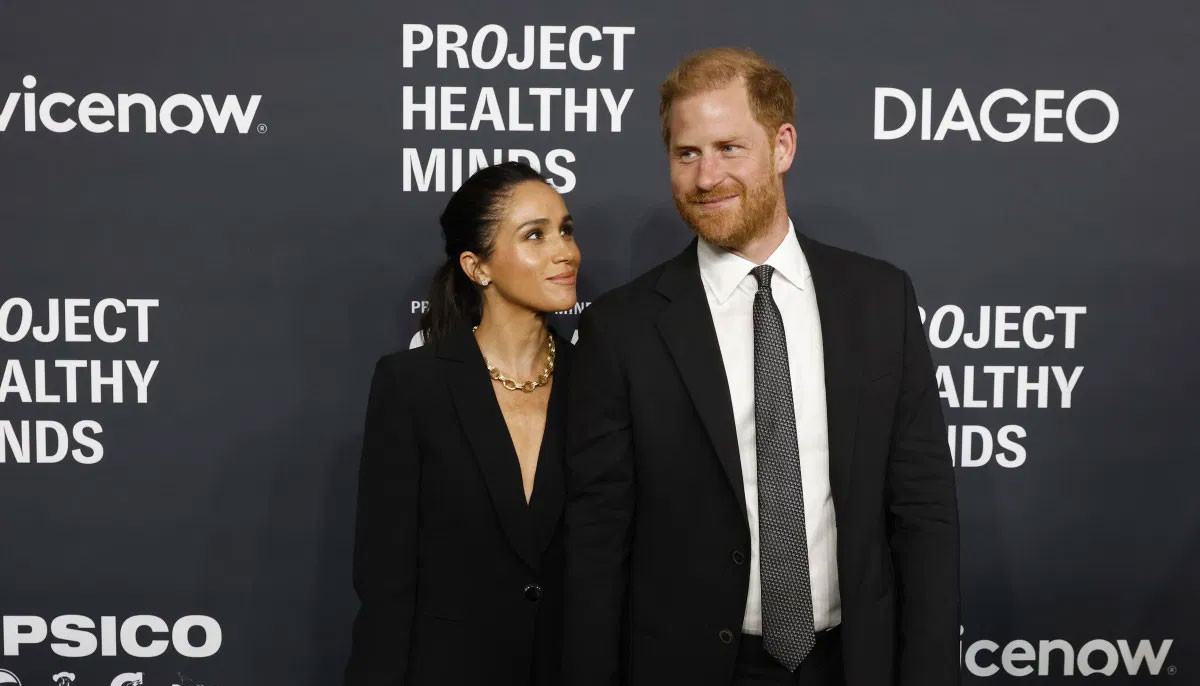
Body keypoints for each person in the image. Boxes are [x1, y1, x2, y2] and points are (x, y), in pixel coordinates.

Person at [562, 48, 960, 686]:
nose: (706, 177)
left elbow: (923, 508)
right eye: (686, 154)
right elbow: (597, 536)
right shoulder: (623, 326)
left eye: (729, 148)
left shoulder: (879, 299)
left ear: (783, 146)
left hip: (853, 662)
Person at [344, 161, 581, 686]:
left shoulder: (599, 383)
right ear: (478, 267)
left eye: (565, 230)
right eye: (535, 235)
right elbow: (385, 581)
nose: (564, 251)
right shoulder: (413, 385)